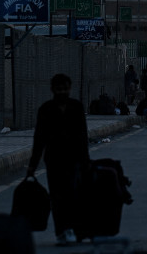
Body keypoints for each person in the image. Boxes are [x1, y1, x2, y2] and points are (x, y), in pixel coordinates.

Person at [28, 73, 89, 246]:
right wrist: (32, 166)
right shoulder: (46, 109)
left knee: (73, 194)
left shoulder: (76, 107)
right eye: (59, 89)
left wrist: (85, 161)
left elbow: (82, 136)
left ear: (70, 89)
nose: (62, 92)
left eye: (65, 89)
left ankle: (71, 228)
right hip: (54, 159)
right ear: (53, 89)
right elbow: (39, 139)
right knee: (57, 197)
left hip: (74, 159)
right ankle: (61, 231)